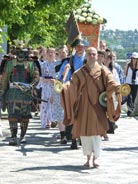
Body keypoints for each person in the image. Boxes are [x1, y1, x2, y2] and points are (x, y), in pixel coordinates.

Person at [60, 47, 121, 168]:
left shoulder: (103, 71)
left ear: (97, 56)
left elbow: (112, 83)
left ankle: (95, 158)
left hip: (98, 107)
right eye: (90, 54)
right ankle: (88, 158)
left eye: (94, 54)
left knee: (97, 135)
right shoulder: (79, 72)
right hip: (83, 107)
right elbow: (71, 85)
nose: (92, 56)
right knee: (85, 134)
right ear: (86, 56)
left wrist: (117, 88)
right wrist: (62, 88)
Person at [1, 43, 40, 145]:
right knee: (12, 116)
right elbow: (4, 79)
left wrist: (31, 86)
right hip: (12, 94)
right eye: (19, 52)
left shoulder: (31, 63)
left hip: (26, 94)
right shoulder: (9, 63)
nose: (21, 54)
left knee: (25, 116)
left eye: (23, 52)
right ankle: (13, 137)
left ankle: (22, 136)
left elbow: (36, 77)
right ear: (16, 52)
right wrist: (2, 92)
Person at [59, 38, 89, 149]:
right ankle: (73, 139)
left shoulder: (88, 59)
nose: (80, 48)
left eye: (82, 46)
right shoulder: (69, 61)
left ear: (85, 48)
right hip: (72, 89)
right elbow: (62, 76)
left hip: (85, 91)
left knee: (83, 115)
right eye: (78, 46)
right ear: (75, 48)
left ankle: (82, 137)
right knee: (72, 114)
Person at [124, 52, 138, 117]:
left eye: (136, 58)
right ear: (131, 58)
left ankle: (130, 110)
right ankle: (130, 110)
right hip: (128, 82)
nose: (134, 60)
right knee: (129, 97)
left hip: (136, 84)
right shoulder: (128, 65)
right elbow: (125, 73)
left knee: (134, 97)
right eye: (133, 58)